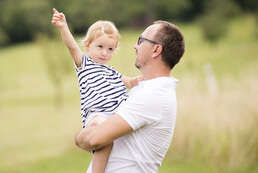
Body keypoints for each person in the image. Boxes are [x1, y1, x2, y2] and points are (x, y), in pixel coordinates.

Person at [75, 20, 185, 173]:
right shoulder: (146, 89)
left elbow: (95, 139)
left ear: (156, 50)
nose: (135, 46)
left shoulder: (152, 95)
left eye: (141, 41)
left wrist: (79, 137)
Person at [51, 8, 142, 173]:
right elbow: (71, 46)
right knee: (103, 133)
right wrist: (63, 27)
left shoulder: (111, 71)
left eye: (110, 49)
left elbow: (128, 81)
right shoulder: (84, 64)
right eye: (100, 46)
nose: (104, 53)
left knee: (115, 139)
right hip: (97, 115)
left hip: (116, 115)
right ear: (87, 45)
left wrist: (139, 80)